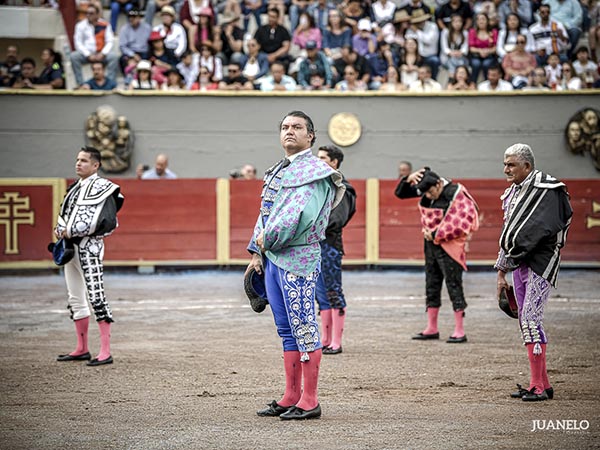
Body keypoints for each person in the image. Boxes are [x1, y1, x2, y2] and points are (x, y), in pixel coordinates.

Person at [246, 110, 344, 421]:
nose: (290, 131)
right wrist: (256, 253)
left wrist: (265, 241)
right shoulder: (278, 170)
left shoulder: (316, 171)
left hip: (298, 259)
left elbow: (298, 217)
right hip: (273, 258)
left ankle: (310, 400)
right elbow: (264, 213)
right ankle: (291, 395)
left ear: (311, 136)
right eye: (285, 127)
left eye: (297, 127)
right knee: (287, 330)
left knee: (304, 328)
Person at [495, 143, 572, 401]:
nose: (506, 169)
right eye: (505, 164)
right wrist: (501, 271)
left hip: (541, 262)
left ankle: (537, 387)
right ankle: (543, 384)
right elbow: (509, 234)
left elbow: (549, 229)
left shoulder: (547, 190)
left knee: (530, 319)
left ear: (527, 166)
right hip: (520, 263)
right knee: (525, 321)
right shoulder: (512, 194)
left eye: (511, 164)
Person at [54, 146, 124, 367]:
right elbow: (64, 215)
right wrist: (60, 230)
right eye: (77, 159)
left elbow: (108, 222)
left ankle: (105, 351)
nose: (78, 163)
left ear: (96, 165)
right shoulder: (74, 188)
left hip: (90, 247)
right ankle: (82, 348)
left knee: (96, 296)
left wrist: (70, 231)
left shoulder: (104, 188)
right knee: (75, 297)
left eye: (84, 160)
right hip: (70, 249)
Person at [394, 167, 479, 343]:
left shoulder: (455, 193)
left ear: (439, 184)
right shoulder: (428, 187)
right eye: (425, 193)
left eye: (431, 192)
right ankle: (432, 328)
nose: (429, 196)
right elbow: (400, 194)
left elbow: (463, 222)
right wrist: (407, 178)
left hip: (450, 246)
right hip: (431, 246)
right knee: (431, 284)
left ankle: (459, 330)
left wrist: (434, 234)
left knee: (453, 284)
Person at [315, 145, 357, 355]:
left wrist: (311, 226)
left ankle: (336, 341)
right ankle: (325, 339)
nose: (318, 160)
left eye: (323, 158)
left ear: (334, 162)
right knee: (320, 294)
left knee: (333, 292)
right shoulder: (322, 186)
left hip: (330, 246)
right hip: (316, 246)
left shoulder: (343, 188)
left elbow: (337, 220)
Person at [71, 4, 119, 87]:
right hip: (87, 55)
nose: (88, 15)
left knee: (113, 57)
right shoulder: (80, 25)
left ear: (97, 14)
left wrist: (103, 53)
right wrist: (88, 54)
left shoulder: (105, 24)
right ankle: (81, 84)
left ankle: (110, 85)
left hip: (101, 54)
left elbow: (110, 41)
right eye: (87, 13)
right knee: (74, 56)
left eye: (91, 13)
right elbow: (78, 43)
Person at [118, 8, 151, 76]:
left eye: (134, 17)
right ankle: (128, 78)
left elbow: (150, 43)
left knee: (150, 57)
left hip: (144, 52)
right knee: (122, 59)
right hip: (130, 52)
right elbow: (122, 46)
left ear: (139, 18)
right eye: (130, 17)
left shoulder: (147, 28)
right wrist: (132, 55)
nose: (131, 19)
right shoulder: (124, 29)